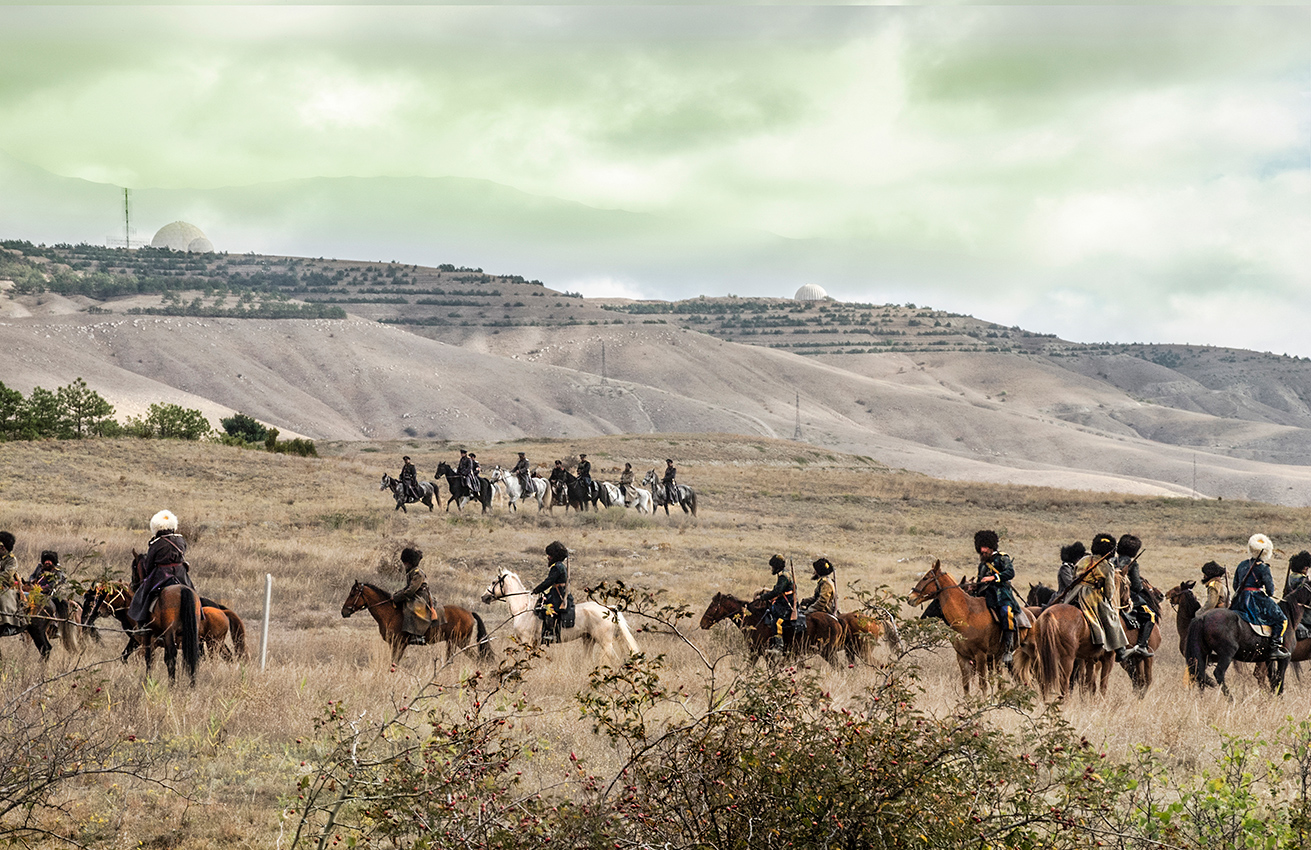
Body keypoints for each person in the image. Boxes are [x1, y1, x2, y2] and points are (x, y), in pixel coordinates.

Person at [1068, 532, 1129, 662]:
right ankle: (1120, 649)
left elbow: (1073, 577)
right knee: (1111, 616)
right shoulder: (1107, 566)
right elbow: (1109, 591)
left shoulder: (1083, 560)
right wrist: (1106, 598)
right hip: (1091, 596)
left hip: (1075, 593)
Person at [127, 509, 195, 624]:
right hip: (181, 574)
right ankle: (200, 614)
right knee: (192, 592)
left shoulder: (156, 543)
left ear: (156, 527)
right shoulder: (181, 540)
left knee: (143, 593)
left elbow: (149, 564)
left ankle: (142, 622)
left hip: (162, 575)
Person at [1231, 533, 1290, 660]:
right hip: (1256, 599)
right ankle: (1274, 647)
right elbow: (1270, 591)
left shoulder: (1241, 565)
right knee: (1282, 620)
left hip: (1240, 600)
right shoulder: (1263, 568)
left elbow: (1235, 585)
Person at [974, 530, 1022, 664]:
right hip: (985, 596)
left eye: (984, 547)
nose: (982, 551)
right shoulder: (982, 564)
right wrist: (974, 586)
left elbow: (1010, 573)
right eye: (980, 548)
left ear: (991, 547)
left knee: (1006, 613)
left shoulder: (1002, 558)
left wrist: (993, 577)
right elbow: (980, 580)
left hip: (1001, 595)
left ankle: (1008, 649)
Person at [1115, 534, 1157, 659]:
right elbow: (1137, 586)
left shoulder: (1112, 560)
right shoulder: (1132, 563)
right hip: (1127, 595)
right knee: (1150, 614)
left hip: (1111, 595)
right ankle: (1142, 645)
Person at [393, 547, 434, 645]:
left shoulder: (417, 573)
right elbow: (407, 588)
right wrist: (396, 595)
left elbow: (411, 590)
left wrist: (398, 597)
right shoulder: (411, 572)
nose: (404, 565)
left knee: (411, 608)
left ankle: (418, 635)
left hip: (421, 596)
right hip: (415, 594)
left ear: (409, 563)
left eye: (405, 563)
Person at [533, 541, 570, 645]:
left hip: (558, 595)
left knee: (547, 608)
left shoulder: (557, 567)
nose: (548, 557)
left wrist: (537, 589)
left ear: (554, 556)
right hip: (558, 592)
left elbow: (549, 581)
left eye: (550, 555)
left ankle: (551, 633)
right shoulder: (561, 566)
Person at [760, 554, 795, 652]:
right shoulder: (786, 573)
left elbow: (777, 591)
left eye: (773, 567)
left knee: (776, 620)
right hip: (784, 601)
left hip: (785, 604)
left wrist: (762, 597)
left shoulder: (783, 576)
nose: (772, 569)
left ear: (777, 566)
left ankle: (779, 645)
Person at [0, 531, 26, 637]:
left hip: (7, 585)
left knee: (4, 597)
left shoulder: (11, 559)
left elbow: (8, 574)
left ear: (4, 548)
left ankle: (8, 624)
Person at [1283, 551, 1311, 641]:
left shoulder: (1290, 577)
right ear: (1305, 568)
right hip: (1300, 614)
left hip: (1287, 610)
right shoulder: (1304, 581)